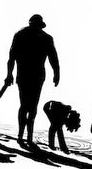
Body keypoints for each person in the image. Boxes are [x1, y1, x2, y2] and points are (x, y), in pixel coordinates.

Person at [6, 14, 60, 146]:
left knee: (28, 106)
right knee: (27, 105)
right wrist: (9, 74)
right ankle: (24, 136)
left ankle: (26, 136)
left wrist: (57, 73)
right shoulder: (37, 37)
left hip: (32, 76)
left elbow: (53, 58)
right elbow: (11, 57)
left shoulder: (24, 35)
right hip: (30, 75)